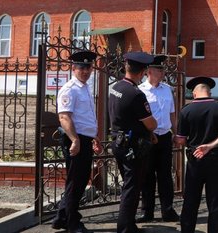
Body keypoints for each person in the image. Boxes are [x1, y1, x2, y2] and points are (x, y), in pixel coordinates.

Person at [174, 76, 218, 233]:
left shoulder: (186, 111)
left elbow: (180, 139)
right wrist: (210, 145)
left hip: (195, 159)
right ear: (209, 91)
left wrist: (192, 145)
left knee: (191, 201)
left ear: (194, 93)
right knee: (215, 202)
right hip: (217, 160)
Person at [52, 50, 102, 233]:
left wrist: (93, 135)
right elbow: (64, 117)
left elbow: (84, 117)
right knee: (76, 182)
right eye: (82, 67)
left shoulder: (84, 87)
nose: (86, 71)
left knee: (78, 181)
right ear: (73, 68)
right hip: (75, 139)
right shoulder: (70, 89)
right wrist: (75, 140)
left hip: (84, 138)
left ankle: (61, 217)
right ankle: (73, 223)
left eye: (88, 67)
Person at [108, 51, 158, 233]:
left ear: (126, 67)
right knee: (132, 187)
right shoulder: (136, 94)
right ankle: (125, 227)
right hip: (132, 146)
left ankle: (129, 224)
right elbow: (150, 122)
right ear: (143, 71)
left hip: (118, 141)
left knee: (129, 184)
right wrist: (152, 128)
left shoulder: (115, 87)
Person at [138, 55, 179, 223]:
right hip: (148, 137)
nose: (162, 72)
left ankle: (167, 211)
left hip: (164, 137)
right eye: (159, 69)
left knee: (165, 176)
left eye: (163, 69)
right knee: (147, 176)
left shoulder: (167, 89)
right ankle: (147, 212)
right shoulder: (140, 90)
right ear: (149, 71)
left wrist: (176, 132)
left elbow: (172, 113)